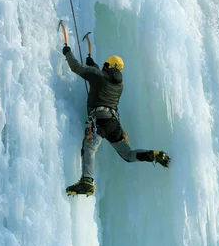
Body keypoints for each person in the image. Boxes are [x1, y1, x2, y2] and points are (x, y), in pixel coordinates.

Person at [63, 45, 171, 196]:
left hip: (100, 120)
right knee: (127, 154)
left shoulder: (99, 75)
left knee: (89, 146)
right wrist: (92, 64)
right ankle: (152, 155)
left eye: (105, 65)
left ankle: (87, 180)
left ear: (109, 66)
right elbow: (99, 77)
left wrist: (67, 52)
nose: (103, 66)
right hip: (114, 124)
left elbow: (76, 67)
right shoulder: (119, 85)